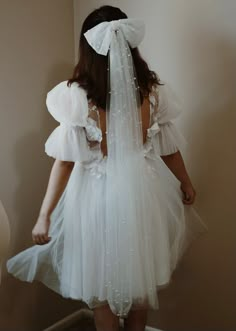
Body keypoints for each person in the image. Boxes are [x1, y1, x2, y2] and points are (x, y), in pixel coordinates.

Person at [7, 5, 208, 331]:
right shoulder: (151, 92)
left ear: (88, 49)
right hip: (143, 197)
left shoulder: (77, 97)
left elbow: (66, 161)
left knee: (102, 293)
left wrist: (45, 213)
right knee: (139, 285)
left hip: (96, 200)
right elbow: (168, 149)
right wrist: (185, 182)